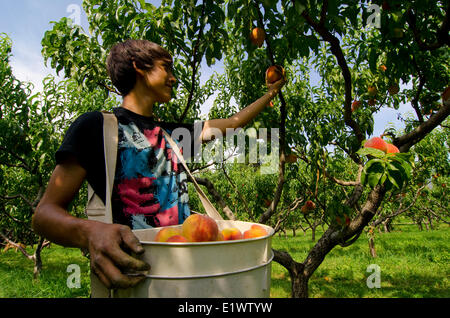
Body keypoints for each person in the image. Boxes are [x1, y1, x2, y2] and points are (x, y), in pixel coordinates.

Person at [31, 39, 286, 290]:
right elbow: (44, 215)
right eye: (167, 67)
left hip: (188, 279)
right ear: (139, 67)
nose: (174, 78)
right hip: (136, 282)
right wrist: (89, 232)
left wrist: (272, 93)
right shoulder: (96, 128)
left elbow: (232, 122)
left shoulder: (173, 137)